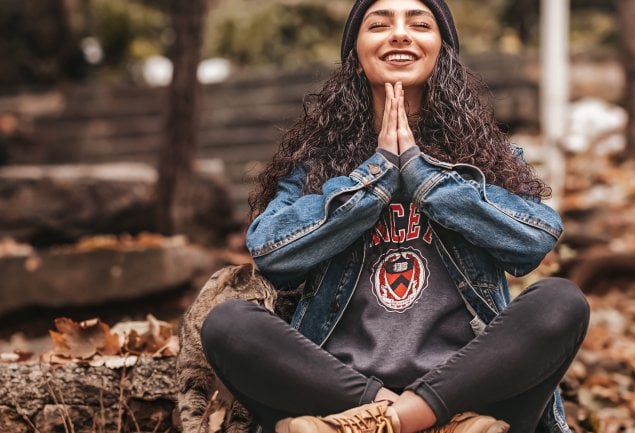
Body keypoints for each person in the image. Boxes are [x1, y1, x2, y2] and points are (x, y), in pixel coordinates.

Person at [200, 1, 590, 433]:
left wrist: (424, 176)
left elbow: (534, 239)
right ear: (356, 53)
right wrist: (378, 174)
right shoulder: (314, 167)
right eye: (379, 24)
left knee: (562, 302)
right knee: (229, 325)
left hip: (470, 394)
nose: (400, 34)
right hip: (340, 395)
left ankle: (397, 421)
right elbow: (272, 251)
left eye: (419, 24)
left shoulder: (487, 160)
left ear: (442, 50)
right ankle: (401, 418)